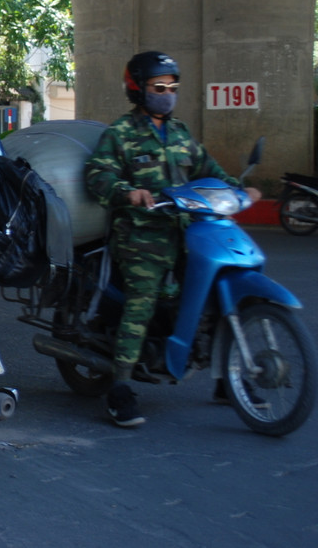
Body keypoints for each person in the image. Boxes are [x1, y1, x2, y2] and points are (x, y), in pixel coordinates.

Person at [84, 50, 260, 428]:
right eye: (159, 87)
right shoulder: (121, 134)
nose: (167, 93)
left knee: (216, 295)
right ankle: (120, 388)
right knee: (142, 302)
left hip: (187, 231)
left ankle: (226, 380)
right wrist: (127, 192)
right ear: (138, 89)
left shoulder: (180, 134)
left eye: (172, 87)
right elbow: (97, 175)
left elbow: (209, 171)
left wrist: (242, 190)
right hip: (141, 237)